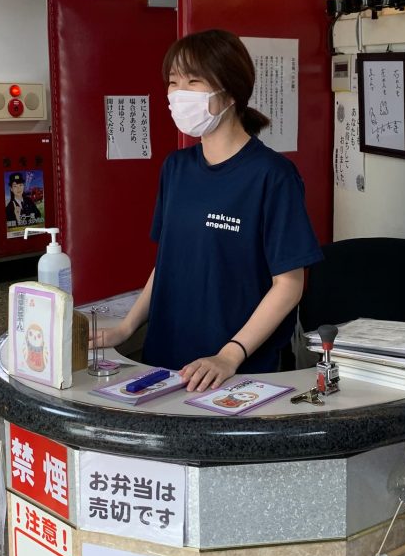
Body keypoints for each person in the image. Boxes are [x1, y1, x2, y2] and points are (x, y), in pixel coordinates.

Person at [99, 29, 322, 391]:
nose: (178, 93)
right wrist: (127, 328)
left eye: (193, 80)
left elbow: (289, 284)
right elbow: (168, 261)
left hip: (237, 369)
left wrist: (230, 354)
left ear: (230, 91)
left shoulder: (272, 176)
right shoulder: (176, 167)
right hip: (166, 357)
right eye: (173, 81)